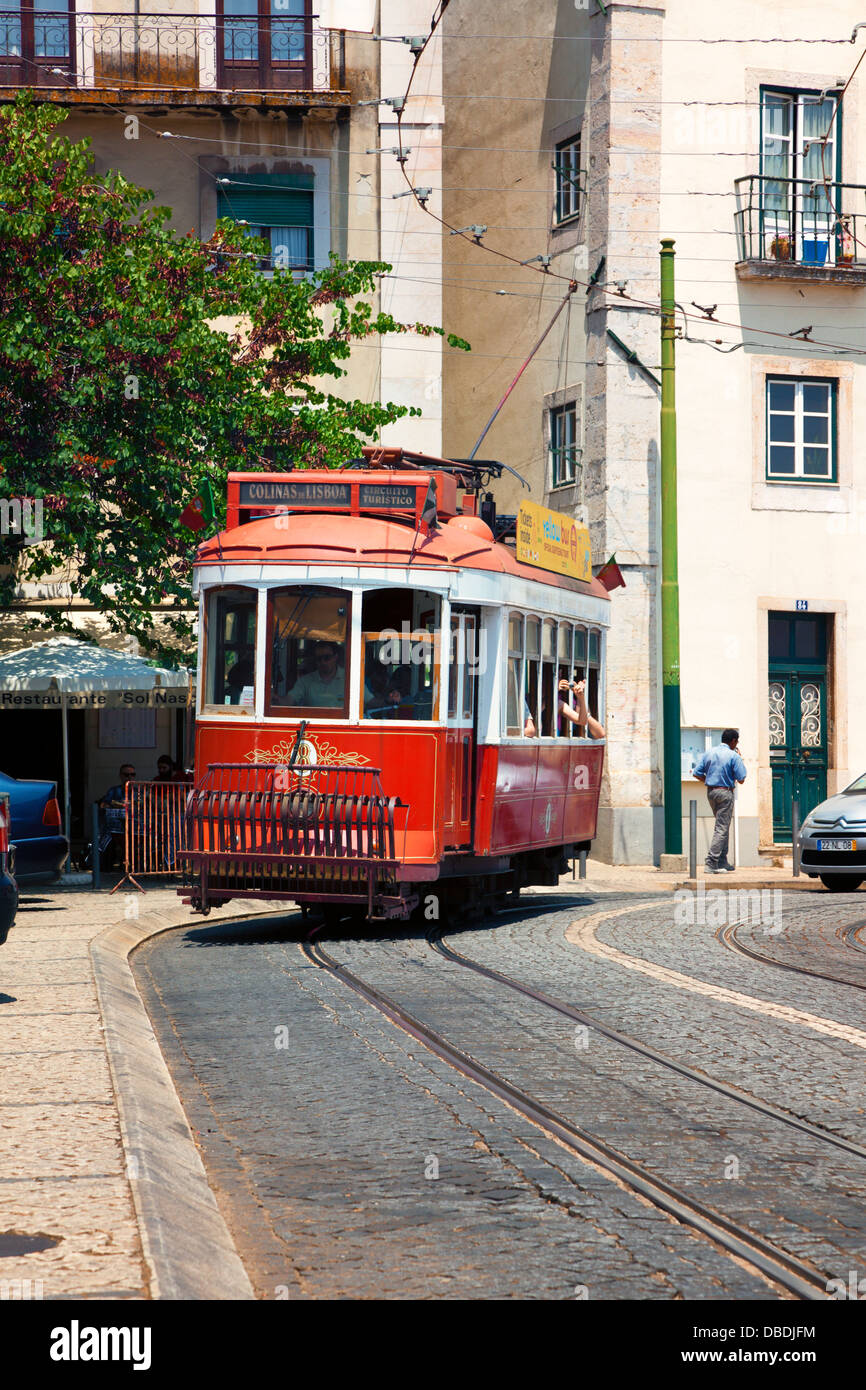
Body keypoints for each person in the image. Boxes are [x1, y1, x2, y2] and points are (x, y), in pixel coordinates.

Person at [693, 728, 747, 873]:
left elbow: (696, 773)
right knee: (721, 828)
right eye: (737, 741)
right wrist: (740, 759)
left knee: (723, 825)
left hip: (711, 792)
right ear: (733, 741)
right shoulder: (733, 756)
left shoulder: (709, 752)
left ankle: (722, 861)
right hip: (725, 793)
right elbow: (741, 779)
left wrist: (709, 781)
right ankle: (711, 863)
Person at [286, 641, 346, 707]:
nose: (323, 662)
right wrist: (277, 699)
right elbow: (289, 700)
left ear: (335, 657)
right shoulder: (305, 681)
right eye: (319, 659)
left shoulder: (348, 679)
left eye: (327, 658)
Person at [99, 764, 136, 868]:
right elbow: (103, 805)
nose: (129, 777)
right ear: (120, 776)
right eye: (126, 774)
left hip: (135, 828)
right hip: (116, 827)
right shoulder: (114, 791)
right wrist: (116, 804)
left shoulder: (138, 792)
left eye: (132, 775)